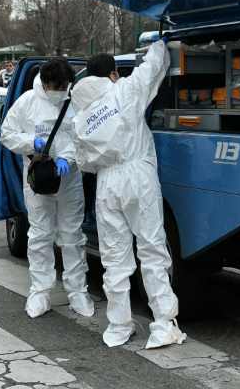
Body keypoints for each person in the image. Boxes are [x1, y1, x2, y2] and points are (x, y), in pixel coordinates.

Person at [70, 40, 186, 349]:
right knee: (151, 249)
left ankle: (119, 325)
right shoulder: (124, 91)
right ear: (112, 74)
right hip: (138, 176)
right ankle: (163, 324)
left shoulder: (81, 115)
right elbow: (153, 67)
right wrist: (159, 43)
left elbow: (83, 162)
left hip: (107, 183)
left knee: (114, 257)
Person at [0, 58, 95, 319]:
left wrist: (68, 157)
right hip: (38, 178)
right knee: (40, 234)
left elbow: (83, 136)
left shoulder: (74, 101)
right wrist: (32, 141)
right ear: (44, 83)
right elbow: (7, 134)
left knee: (72, 235)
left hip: (68, 177)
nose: (61, 90)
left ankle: (78, 292)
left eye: (65, 85)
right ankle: (40, 291)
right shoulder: (27, 102)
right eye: (57, 86)